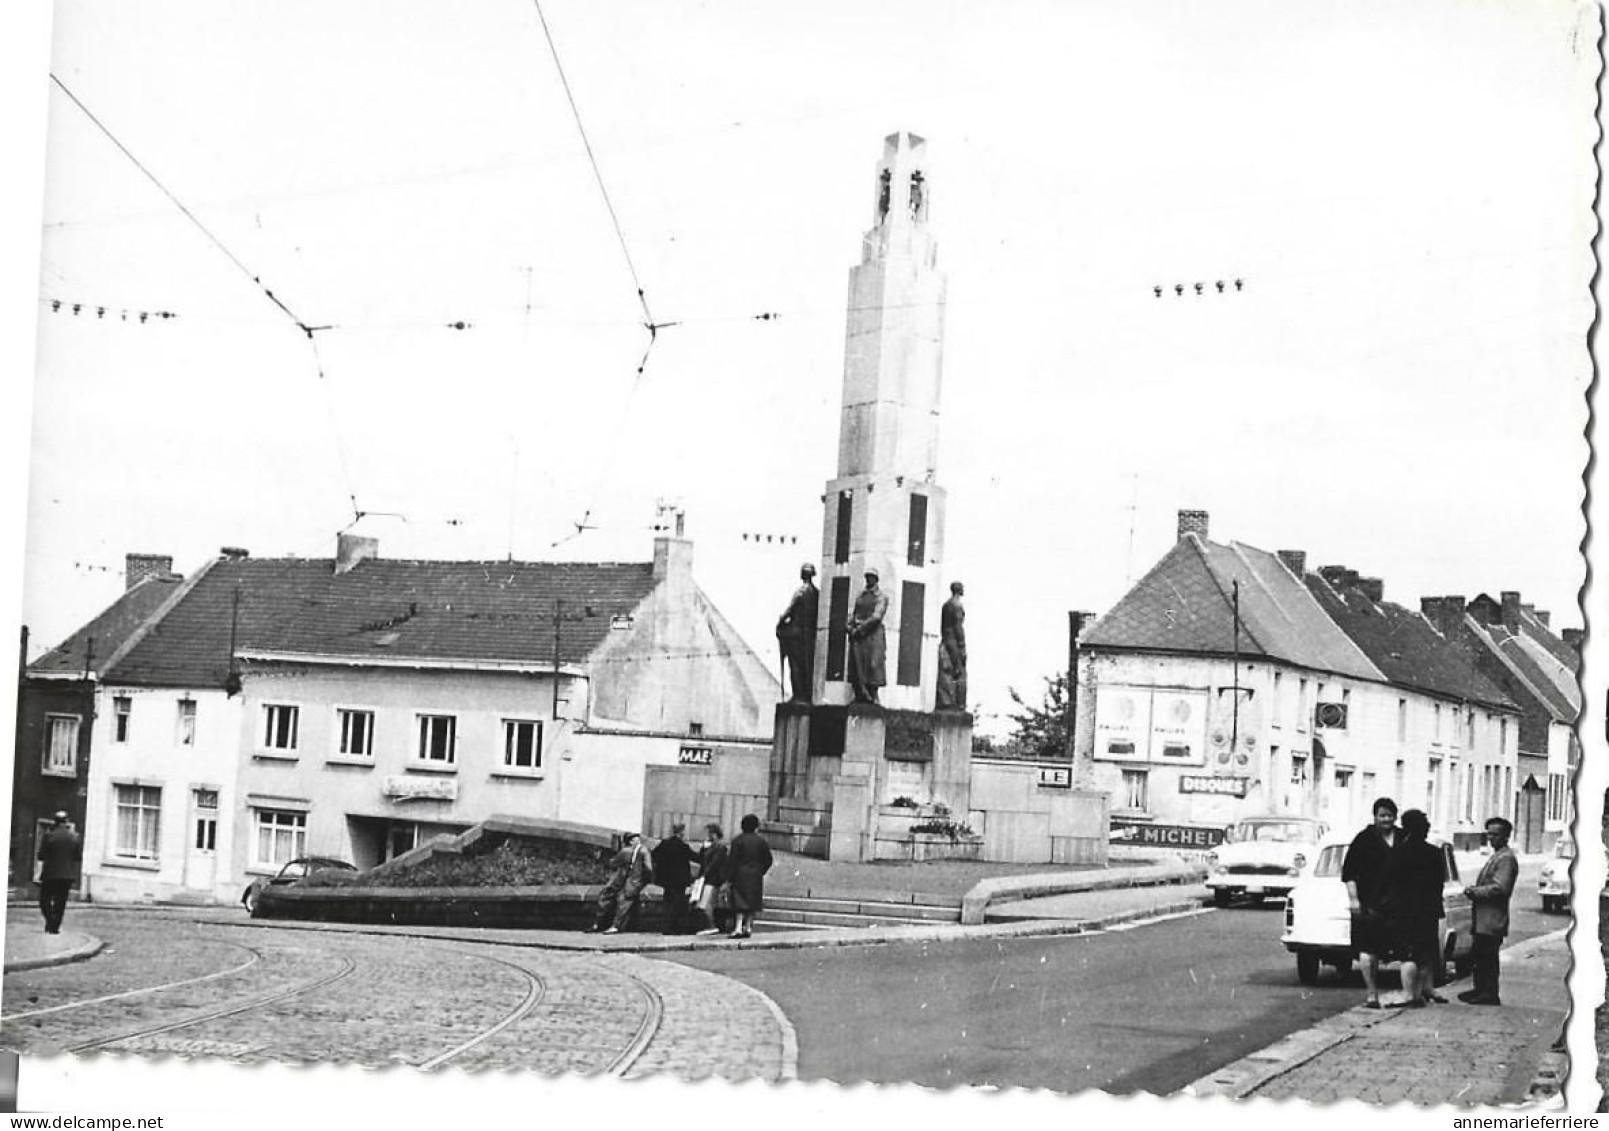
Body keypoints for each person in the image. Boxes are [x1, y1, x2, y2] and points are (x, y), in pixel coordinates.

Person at [1378, 809, 1445, 1008]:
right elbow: (1438, 884)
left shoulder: (1397, 853)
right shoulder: (1434, 853)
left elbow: (1388, 883)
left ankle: (1409, 994)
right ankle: (1422, 991)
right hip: (1428, 910)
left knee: (1407, 954)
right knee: (1425, 954)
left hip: (1404, 911)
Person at [1341, 797, 1399, 1008]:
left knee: (1404, 949)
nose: (1386, 819)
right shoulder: (1363, 839)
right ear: (1374, 817)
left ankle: (1409, 992)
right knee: (1368, 948)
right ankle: (1372, 994)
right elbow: (1349, 873)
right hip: (1370, 902)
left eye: (1390, 815)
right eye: (1382, 815)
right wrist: (1354, 899)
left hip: (1397, 904)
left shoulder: (1402, 837)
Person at [1460, 816, 1518, 1006]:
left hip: (1492, 918)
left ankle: (1489, 993)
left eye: (1496, 834)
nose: (1491, 838)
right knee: (1480, 955)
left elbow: (1500, 888)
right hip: (1483, 918)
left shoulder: (1506, 858)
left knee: (1487, 957)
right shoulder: (1497, 856)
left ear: (1506, 836)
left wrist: (1474, 892)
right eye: (1489, 834)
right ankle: (1480, 990)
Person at [589, 831, 653, 935]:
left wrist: (602, 857)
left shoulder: (626, 851)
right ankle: (611, 925)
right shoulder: (644, 850)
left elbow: (612, 863)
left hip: (629, 882)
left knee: (614, 898)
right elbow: (649, 868)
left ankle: (607, 925)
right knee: (618, 898)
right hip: (633, 882)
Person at [724, 814, 773, 939]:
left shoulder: (737, 841)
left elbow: (732, 860)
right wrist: (761, 870)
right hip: (755, 875)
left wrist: (729, 877)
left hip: (739, 875)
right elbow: (768, 859)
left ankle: (738, 927)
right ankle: (748, 927)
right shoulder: (761, 841)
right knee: (753, 902)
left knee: (739, 902)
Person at [776, 563, 819, 704]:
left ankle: (798, 695)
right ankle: (806, 694)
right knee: (807, 665)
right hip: (810, 635)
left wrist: (780, 621)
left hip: (796, 635)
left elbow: (790, 610)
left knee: (795, 665)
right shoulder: (817, 593)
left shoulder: (800, 592)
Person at [845, 570, 889, 704]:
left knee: (873, 664)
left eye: (871, 577)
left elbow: (877, 616)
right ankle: (859, 694)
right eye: (867, 577)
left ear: (876, 579)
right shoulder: (861, 595)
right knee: (857, 665)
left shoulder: (881, 596)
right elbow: (853, 613)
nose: (868, 579)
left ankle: (873, 695)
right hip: (859, 635)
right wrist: (849, 626)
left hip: (873, 635)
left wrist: (860, 629)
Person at [37, 812, 82, 936]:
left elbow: (40, 855)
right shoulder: (74, 837)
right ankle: (54, 927)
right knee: (60, 902)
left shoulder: (48, 836)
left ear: (55, 822)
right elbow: (78, 857)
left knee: (44, 900)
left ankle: (50, 921)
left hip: (50, 874)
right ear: (66, 822)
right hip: (67, 875)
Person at [650, 823, 698, 935]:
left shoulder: (665, 843)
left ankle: (666, 927)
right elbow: (695, 857)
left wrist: (663, 866)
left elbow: (654, 854)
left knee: (667, 902)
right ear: (681, 833)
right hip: (679, 880)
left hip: (667, 879)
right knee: (678, 903)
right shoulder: (683, 846)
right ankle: (675, 927)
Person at [693, 823, 731, 937]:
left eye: (709, 833)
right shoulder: (712, 847)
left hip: (712, 879)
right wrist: (703, 849)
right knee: (702, 904)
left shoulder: (719, 847)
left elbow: (713, 864)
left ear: (714, 834)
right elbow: (701, 860)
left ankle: (711, 926)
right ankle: (709, 926)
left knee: (704, 904)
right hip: (708, 878)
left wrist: (703, 875)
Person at [935, 581, 967, 710]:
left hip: (945, 639)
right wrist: (962, 646)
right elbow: (958, 627)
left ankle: (946, 700)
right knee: (958, 671)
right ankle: (955, 702)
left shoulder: (946, 605)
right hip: (953, 640)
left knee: (946, 670)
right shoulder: (956, 605)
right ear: (959, 590)